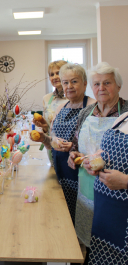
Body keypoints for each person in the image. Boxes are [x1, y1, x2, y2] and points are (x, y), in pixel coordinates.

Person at [68, 62, 128, 262]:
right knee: (91, 241)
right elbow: (76, 144)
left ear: (118, 86)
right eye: (96, 84)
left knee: (114, 247)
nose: (101, 88)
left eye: (107, 83)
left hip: (118, 194)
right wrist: (74, 156)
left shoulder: (126, 112)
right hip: (86, 187)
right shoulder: (86, 113)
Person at [33, 63, 95, 224]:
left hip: (82, 173)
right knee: (62, 216)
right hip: (60, 170)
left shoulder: (93, 107)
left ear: (85, 83)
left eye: (74, 81)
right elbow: (52, 140)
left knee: (83, 217)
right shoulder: (61, 107)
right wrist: (44, 139)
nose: (69, 86)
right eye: (65, 82)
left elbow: (98, 147)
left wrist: (75, 148)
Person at [83, 112, 128, 264]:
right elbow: (110, 155)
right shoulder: (124, 118)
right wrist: (93, 162)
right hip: (104, 213)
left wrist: (126, 181)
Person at [33, 60, 68, 165]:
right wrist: (44, 126)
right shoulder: (46, 98)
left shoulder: (73, 98)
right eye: (51, 74)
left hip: (69, 147)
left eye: (58, 73)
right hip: (51, 145)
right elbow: (47, 127)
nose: (55, 77)